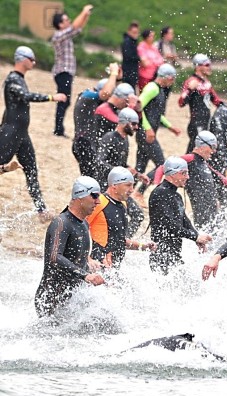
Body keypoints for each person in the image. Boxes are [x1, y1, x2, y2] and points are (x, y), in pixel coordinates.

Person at [0, 46, 67, 218]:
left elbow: (11, 107)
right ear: (22, 59)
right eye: (32, 59)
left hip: (22, 134)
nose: (34, 62)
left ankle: (41, 209)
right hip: (11, 133)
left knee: (31, 170)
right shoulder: (12, 79)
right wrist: (52, 97)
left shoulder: (20, 78)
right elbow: (26, 96)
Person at [35, 176, 105, 317]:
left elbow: (77, 258)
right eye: (94, 196)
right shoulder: (61, 223)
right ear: (80, 196)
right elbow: (55, 257)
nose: (98, 201)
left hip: (71, 299)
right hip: (50, 299)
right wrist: (86, 275)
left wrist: (92, 265)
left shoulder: (84, 224)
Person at [148, 157, 212, 274]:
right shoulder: (160, 193)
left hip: (173, 255)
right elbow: (169, 225)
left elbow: (183, 219)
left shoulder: (176, 196)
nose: (187, 177)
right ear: (172, 174)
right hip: (161, 255)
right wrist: (194, 237)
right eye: (184, 173)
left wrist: (197, 236)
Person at [86, 167, 156, 268]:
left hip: (114, 267)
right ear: (114, 185)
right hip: (98, 266)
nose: (132, 190)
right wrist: (89, 259)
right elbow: (76, 230)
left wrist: (143, 246)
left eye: (132, 185)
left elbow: (119, 240)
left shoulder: (122, 204)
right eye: (128, 185)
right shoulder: (99, 203)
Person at [50, 4, 93, 137]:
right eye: (66, 20)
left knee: (65, 100)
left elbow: (78, 27)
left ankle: (58, 128)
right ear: (60, 24)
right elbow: (74, 26)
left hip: (66, 72)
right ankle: (58, 129)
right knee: (63, 100)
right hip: (62, 72)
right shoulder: (58, 35)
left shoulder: (65, 35)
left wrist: (86, 16)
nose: (68, 21)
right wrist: (83, 11)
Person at [136, 64, 180, 187]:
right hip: (145, 133)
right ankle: (140, 193)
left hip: (146, 132)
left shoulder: (159, 90)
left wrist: (170, 126)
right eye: (172, 79)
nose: (173, 82)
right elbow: (139, 107)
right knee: (161, 164)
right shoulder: (152, 88)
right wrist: (148, 128)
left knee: (140, 166)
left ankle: (127, 193)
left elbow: (156, 113)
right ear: (166, 77)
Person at [178, 54, 222, 153]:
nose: (209, 67)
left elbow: (216, 100)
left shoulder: (206, 82)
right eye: (206, 65)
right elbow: (181, 103)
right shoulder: (191, 81)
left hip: (206, 120)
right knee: (195, 149)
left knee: (203, 148)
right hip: (196, 122)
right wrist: (189, 89)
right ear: (198, 66)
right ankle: (184, 165)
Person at [121, 23, 140, 89]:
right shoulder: (128, 42)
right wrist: (139, 58)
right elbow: (128, 55)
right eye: (134, 32)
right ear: (129, 32)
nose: (136, 34)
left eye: (137, 32)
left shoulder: (132, 41)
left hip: (131, 70)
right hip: (128, 70)